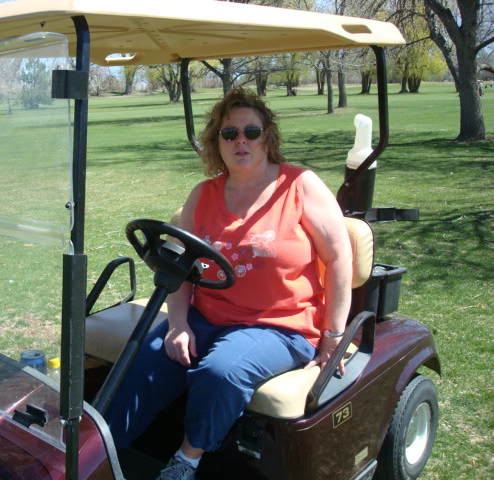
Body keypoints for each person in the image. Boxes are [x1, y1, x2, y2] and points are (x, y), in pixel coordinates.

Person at [105, 88, 352, 480]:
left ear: (267, 137)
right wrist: (178, 325)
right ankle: (98, 455)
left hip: (281, 325)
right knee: (145, 357)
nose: (241, 140)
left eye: (251, 132)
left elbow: (338, 258)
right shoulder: (203, 195)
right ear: (215, 141)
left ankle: (185, 462)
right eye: (229, 133)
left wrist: (334, 336)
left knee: (221, 371)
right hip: (208, 316)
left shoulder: (299, 185)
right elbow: (179, 267)